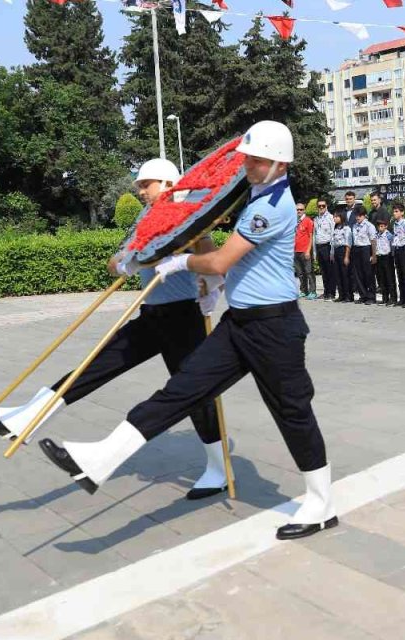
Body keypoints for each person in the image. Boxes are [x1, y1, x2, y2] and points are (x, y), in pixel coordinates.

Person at [39, 121, 337, 541]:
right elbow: (223, 249)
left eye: (256, 160)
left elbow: (221, 261)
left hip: (274, 326)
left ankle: (321, 503)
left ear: (280, 164)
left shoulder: (271, 207)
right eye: (247, 158)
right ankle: (101, 458)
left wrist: (179, 263)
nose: (247, 165)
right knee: (182, 389)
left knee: (291, 411)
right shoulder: (256, 193)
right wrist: (209, 279)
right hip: (240, 323)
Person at [0, 158, 228, 502]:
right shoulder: (145, 217)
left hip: (184, 318)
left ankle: (218, 469)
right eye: (140, 186)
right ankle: (26, 419)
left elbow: (212, 262)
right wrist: (127, 262)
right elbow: (115, 262)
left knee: (195, 394)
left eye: (146, 184)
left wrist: (204, 277)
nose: (140, 191)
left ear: (169, 183)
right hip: (151, 315)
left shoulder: (192, 216)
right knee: (93, 365)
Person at [350, 207, 377, 304]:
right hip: (356, 249)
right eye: (356, 215)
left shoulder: (369, 226)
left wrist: (374, 255)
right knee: (358, 274)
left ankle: (371, 296)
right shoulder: (354, 226)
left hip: (366, 249)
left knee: (368, 273)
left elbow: (373, 241)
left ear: (364, 215)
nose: (358, 217)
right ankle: (363, 295)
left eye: (360, 215)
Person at [313, 197, 336, 300]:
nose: (321, 207)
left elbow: (333, 234)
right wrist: (314, 251)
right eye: (319, 206)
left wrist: (332, 251)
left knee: (330, 271)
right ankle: (326, 291)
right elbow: (314, 236)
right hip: (319, 246)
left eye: (323, 206)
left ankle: (331, 293)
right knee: (323, 271)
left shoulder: (330, 217)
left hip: (327, 246)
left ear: (326, 206)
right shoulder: (316, 219)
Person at [294, 202, 316, 300]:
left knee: (309, 272)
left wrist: (308, 250)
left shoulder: (308, 221)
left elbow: (311, 237)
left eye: (301, 209)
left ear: (304, 210)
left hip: (305, 250)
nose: (299, 211)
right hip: (296, 250)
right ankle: (304, 290)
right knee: (300, 273)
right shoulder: (295, 221)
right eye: (297, 209)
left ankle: (313, 291)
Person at [330, 211, 353, 302]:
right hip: (336, 251)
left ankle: (348, 296)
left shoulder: (346, 228)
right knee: (338, 274)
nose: (334, 218)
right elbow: (333, 242)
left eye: (336, 217)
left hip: (343, 251)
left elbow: (348, 243)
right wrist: (332, 254)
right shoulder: (335, 228)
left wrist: (346, 256)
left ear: (342, 217)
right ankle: (341, 295)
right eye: (334, 217)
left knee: (345, 274)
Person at [373, 219, 394, 305]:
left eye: (382, 226)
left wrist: (392, 256)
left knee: (389, 278)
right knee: (382, 278)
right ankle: (385, 297)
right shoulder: (377, 235)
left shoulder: (389, 235)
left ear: (386, 226)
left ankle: (392, 298)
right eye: (379, 226)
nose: (380, 228)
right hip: (379, 257)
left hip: (387, 257)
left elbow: (392, 246)